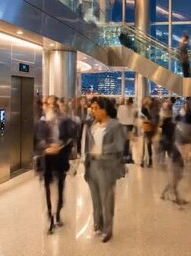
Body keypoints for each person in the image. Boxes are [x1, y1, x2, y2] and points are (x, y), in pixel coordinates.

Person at [34, 96, 79, 234]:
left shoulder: (65, 122)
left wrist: (60, 146)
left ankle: (58, 211)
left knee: (60, 187)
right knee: (47, 189)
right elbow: (35, 141)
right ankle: (50, 218)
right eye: (48, 104)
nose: (50, 107)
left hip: (60, 159)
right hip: (46, 160)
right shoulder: (40, 124)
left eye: (53, 104)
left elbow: (71, 138)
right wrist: (45, 147)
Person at [84, 97, 126, 243]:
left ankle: (108, 229)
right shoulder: (93, 125)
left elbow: (120, 145)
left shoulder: (115, 125)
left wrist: (101, 150)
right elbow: (88, 145)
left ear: (104, 109)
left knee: (106, 199)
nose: (93, 111)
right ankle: (98, 224)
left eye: (96, 108)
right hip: (92, 166)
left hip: (107, 166)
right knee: (96, 199)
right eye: (92, 108)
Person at [117, 97, 136, 164]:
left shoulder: (121, 107)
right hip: (130, 126)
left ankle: (123, 156)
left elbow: (118, 117)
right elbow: (134, 118)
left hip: (122, 125)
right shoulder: (134, 109)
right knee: (128, 141)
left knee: (123, 141)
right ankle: (127, 156)